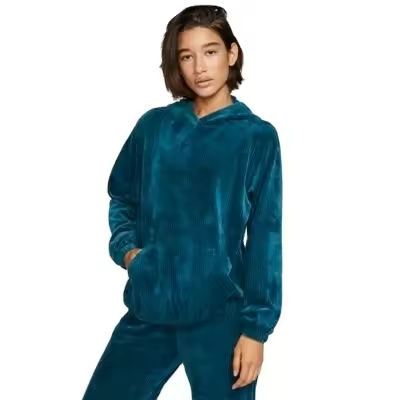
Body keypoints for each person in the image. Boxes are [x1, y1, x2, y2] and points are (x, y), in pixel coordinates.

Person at [82, 5, 283, 399]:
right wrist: (129, 253)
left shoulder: (256, 137)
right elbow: (122, 196)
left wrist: (256, 330)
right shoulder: (154, 126)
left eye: (210, 51)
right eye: (186, 56)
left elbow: (266, 235)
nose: (199, 67)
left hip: (220, 315)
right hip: (151, 304)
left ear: (232, 53)